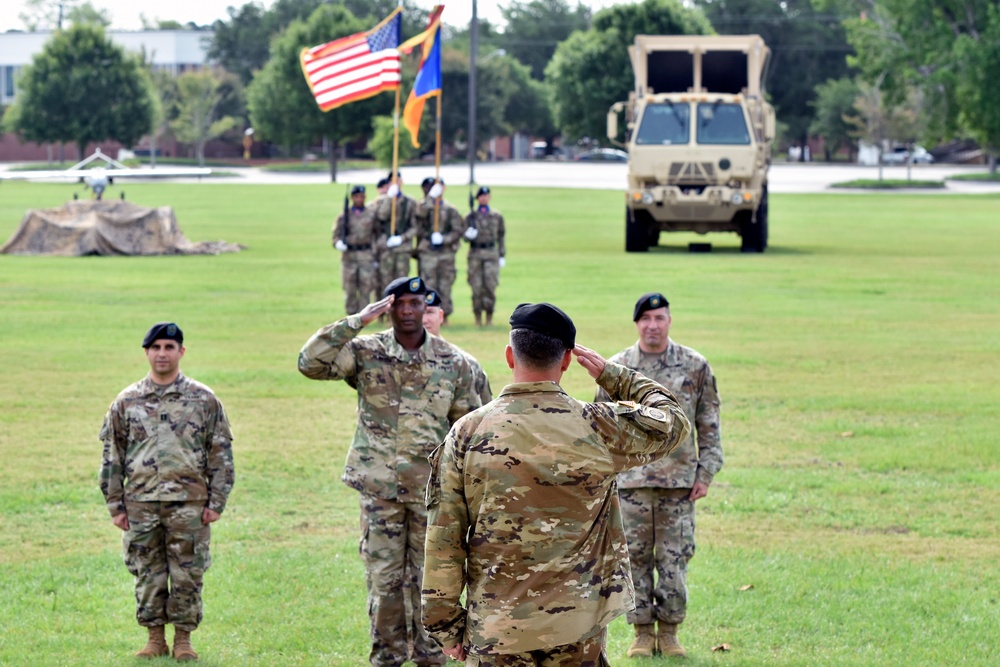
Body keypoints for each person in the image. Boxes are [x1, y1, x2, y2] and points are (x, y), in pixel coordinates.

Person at [422, 303, 691, 665]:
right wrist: (613, 375)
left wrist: (444, 625)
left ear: (509, 355)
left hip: (496, 630)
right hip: (577, 627)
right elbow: (672, 421)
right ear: (567, 361)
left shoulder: (467, 432)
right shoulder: (598, 426)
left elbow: (444, 538)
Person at [297, 276, 486, 667]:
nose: (407, 311)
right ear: (388, 307)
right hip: (379, 489)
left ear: (425, 307)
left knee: (432, 582)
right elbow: (310, 362)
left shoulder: (454, 362)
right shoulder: (366, 352)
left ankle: (432, 658)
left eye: (415, 303)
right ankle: (386, 658)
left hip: (430, 495)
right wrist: (357, 320)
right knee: (384, 583)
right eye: (398, 303)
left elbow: (468, 430)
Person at [595, 292, 723, 658]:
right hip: (630, 483)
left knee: (674, 559)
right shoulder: (618, 368)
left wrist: (706, 472)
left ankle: (669, 633)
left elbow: (709, 422)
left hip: (678, 484)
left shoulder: (694, 365)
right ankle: (640, 633)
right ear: (637, 324)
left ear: (670, 321)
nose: (653, 325)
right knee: (633, 558)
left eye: (660, 318)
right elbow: (601, 427)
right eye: (646, 319)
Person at [99, 322, 235, 662]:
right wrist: (116, 504)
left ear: (181, 352)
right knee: (148, 574)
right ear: (146, 352)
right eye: (156, 347)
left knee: (187, 574)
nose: (162, 353)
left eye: (169, 347)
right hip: (141, 504)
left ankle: (184, 640)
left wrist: (216, 501)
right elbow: (112, 454)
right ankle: (155, 638)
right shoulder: (127, 400)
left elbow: (220, 452)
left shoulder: (204, 399)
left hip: (189, 504)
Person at [422, 289, 492, 404]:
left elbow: (486, 411)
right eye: (420, 313)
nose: (424, 320)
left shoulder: (466, 364)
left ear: (440, 316)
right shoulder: (392, 361)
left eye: (430, 312)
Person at [415, 177, 466, 325]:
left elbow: (458, 231)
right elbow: (419, 213)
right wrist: (431, 197)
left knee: (445, 284)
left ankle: (445, 316)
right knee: (428, 284)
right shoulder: (425, 206)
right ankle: (428, 315)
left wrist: (443, 239)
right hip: (429, 253)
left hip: (445, 253)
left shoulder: (451, 210)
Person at [463, 185, 506, 327]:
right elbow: (463, 235)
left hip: (491, 254)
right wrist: (468, 235)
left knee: (490, 286)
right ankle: (477, 318)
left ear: (489, 197)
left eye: (486, 196)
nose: (484, 198)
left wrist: (502, 255)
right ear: (477, 198)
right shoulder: (470, 216)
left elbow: (501, 236)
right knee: (476, 287)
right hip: (475, 254)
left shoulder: (497, 216)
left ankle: (489, 317)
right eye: (481, 196)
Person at [334, 184, 380, 314]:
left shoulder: (371, 214)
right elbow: (335, 235)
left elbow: (377, 234)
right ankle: (351, 316)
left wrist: (375, 255)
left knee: (366, 287)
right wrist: (338, 243)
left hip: (366, 254)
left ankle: (364, 315)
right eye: (356, 196)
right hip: (349, 256)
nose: (359, 199)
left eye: (362, 196)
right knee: (350, 288)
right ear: (352, 197)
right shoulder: (344, 215)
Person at [375, 172, 418, 295]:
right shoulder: (381, 201)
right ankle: (385, 312)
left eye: (398, 180)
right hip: (385, 248)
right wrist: (389, 199)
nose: (396, 183)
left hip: (403, 248)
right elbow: (381, 216)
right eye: (392, 181)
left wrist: (402, 238)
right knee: (385, 282)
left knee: (402, 283)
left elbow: (415, 227)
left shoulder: (410, 202)